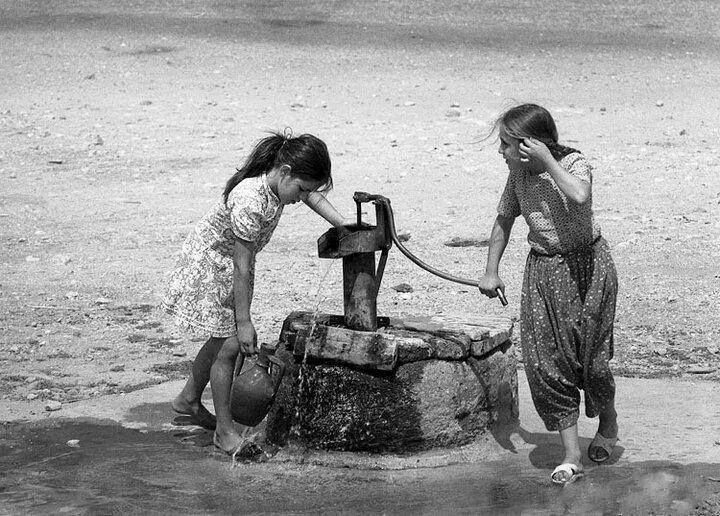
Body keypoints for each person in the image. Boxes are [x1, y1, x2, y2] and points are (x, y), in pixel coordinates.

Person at [162, 131, 350, 455]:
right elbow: (242, 264)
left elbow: (313, 196)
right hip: (212, 267)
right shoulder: (250, 199)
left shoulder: (282, 182)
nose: (302, 197)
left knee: (221, 337)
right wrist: (244, 319)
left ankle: (189, 400)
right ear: (286, 171)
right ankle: (224, 432)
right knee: (231, 345)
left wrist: (345, 225)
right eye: (301, 189)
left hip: (229, 268)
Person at [477, 104, 619, 485]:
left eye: (506, 144)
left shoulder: (574, 163)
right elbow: (504, 218)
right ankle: (572, 455)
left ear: (529, 145)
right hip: (543, 271)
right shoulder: (517, 176)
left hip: (588, 268)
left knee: (593, 361)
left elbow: (579, 196)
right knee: (545, 363)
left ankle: (608, 421)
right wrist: (491, 271)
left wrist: (546, 161)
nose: (501, 152)